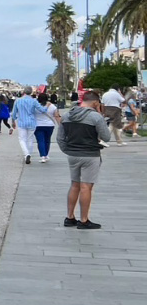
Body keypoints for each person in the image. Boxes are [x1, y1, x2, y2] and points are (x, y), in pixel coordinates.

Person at [60, 90, 111, 229]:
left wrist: (68, 150)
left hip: (73, 155)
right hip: (90, 155)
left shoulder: (67, 115)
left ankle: (69, 217)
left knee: (74, 185)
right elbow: (106, 137)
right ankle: (84, 220)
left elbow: (60, 138)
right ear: (95, 102)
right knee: (86, 187)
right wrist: (101, 115)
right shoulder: (95, 117)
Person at [12, 87, 49, 164]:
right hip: (32, 122)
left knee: (22, 139)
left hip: (22, 122)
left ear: (24, 92)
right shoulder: (34, 101)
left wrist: (13, 121)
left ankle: (26, 154)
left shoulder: (18, 101)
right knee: (30, 139)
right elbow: (42, 110)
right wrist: (47, 106)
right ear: (31, 92)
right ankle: (29, 154)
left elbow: (14, 113)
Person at [35, 92, 62, 163]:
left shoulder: (35, 106)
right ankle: (46, 154)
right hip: (49, 125)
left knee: (40, 140)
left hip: (38, 125)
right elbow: (56, 116)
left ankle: (42, 156)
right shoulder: (52, 106)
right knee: (47, 140)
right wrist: (60, 125)